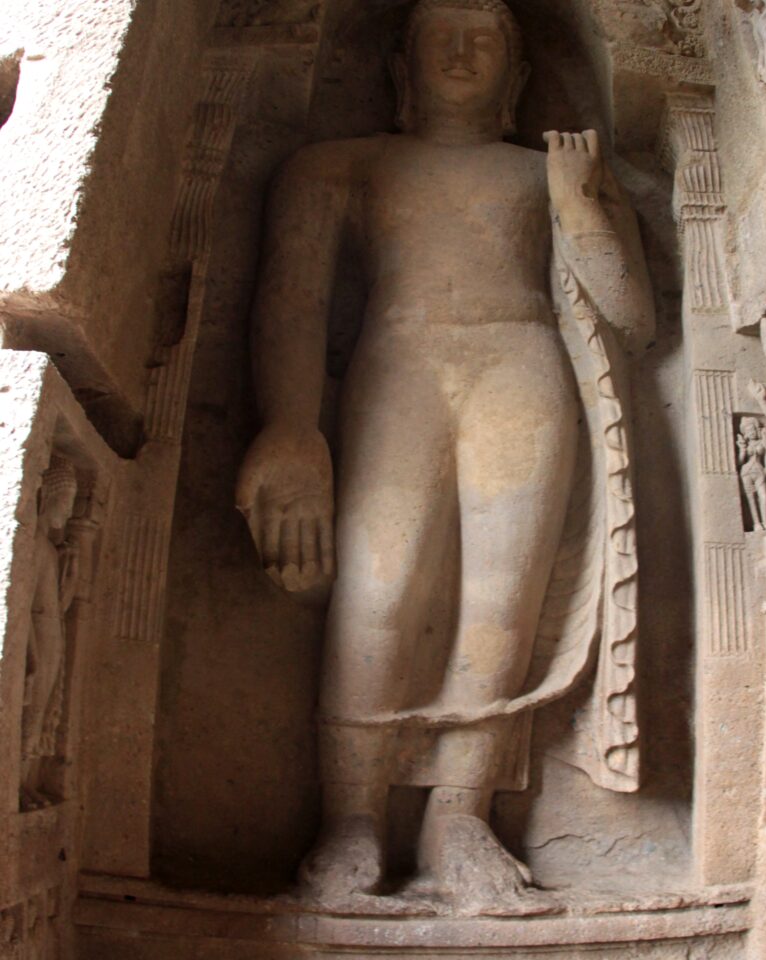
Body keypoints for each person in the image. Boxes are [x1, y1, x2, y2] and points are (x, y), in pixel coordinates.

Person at [236, 0, 654, 912]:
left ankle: (458, 819)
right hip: (401, 371)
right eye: (441, 36)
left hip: (522, 371)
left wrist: (583, 205)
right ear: (401, 66)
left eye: (485, 39)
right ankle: (349, 819)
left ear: (513, 75)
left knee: (499, 603)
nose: (462, 52)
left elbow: (633, 316)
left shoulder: (542, 172)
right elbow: (293, 303)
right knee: (378, 595)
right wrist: (291, 427)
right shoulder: (341, 165)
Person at [20, 456, 79, 811]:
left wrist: (70, 581)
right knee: (27, 716)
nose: (68, 513)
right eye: (65, 502)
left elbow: (56, 605)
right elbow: (24, 607)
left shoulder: (50, 551)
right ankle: (11, 785)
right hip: (38, 641)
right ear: (48, 498)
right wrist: (29, 655)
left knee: (41, 716)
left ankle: (26, 783)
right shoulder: (34, 546)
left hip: (52, 635)